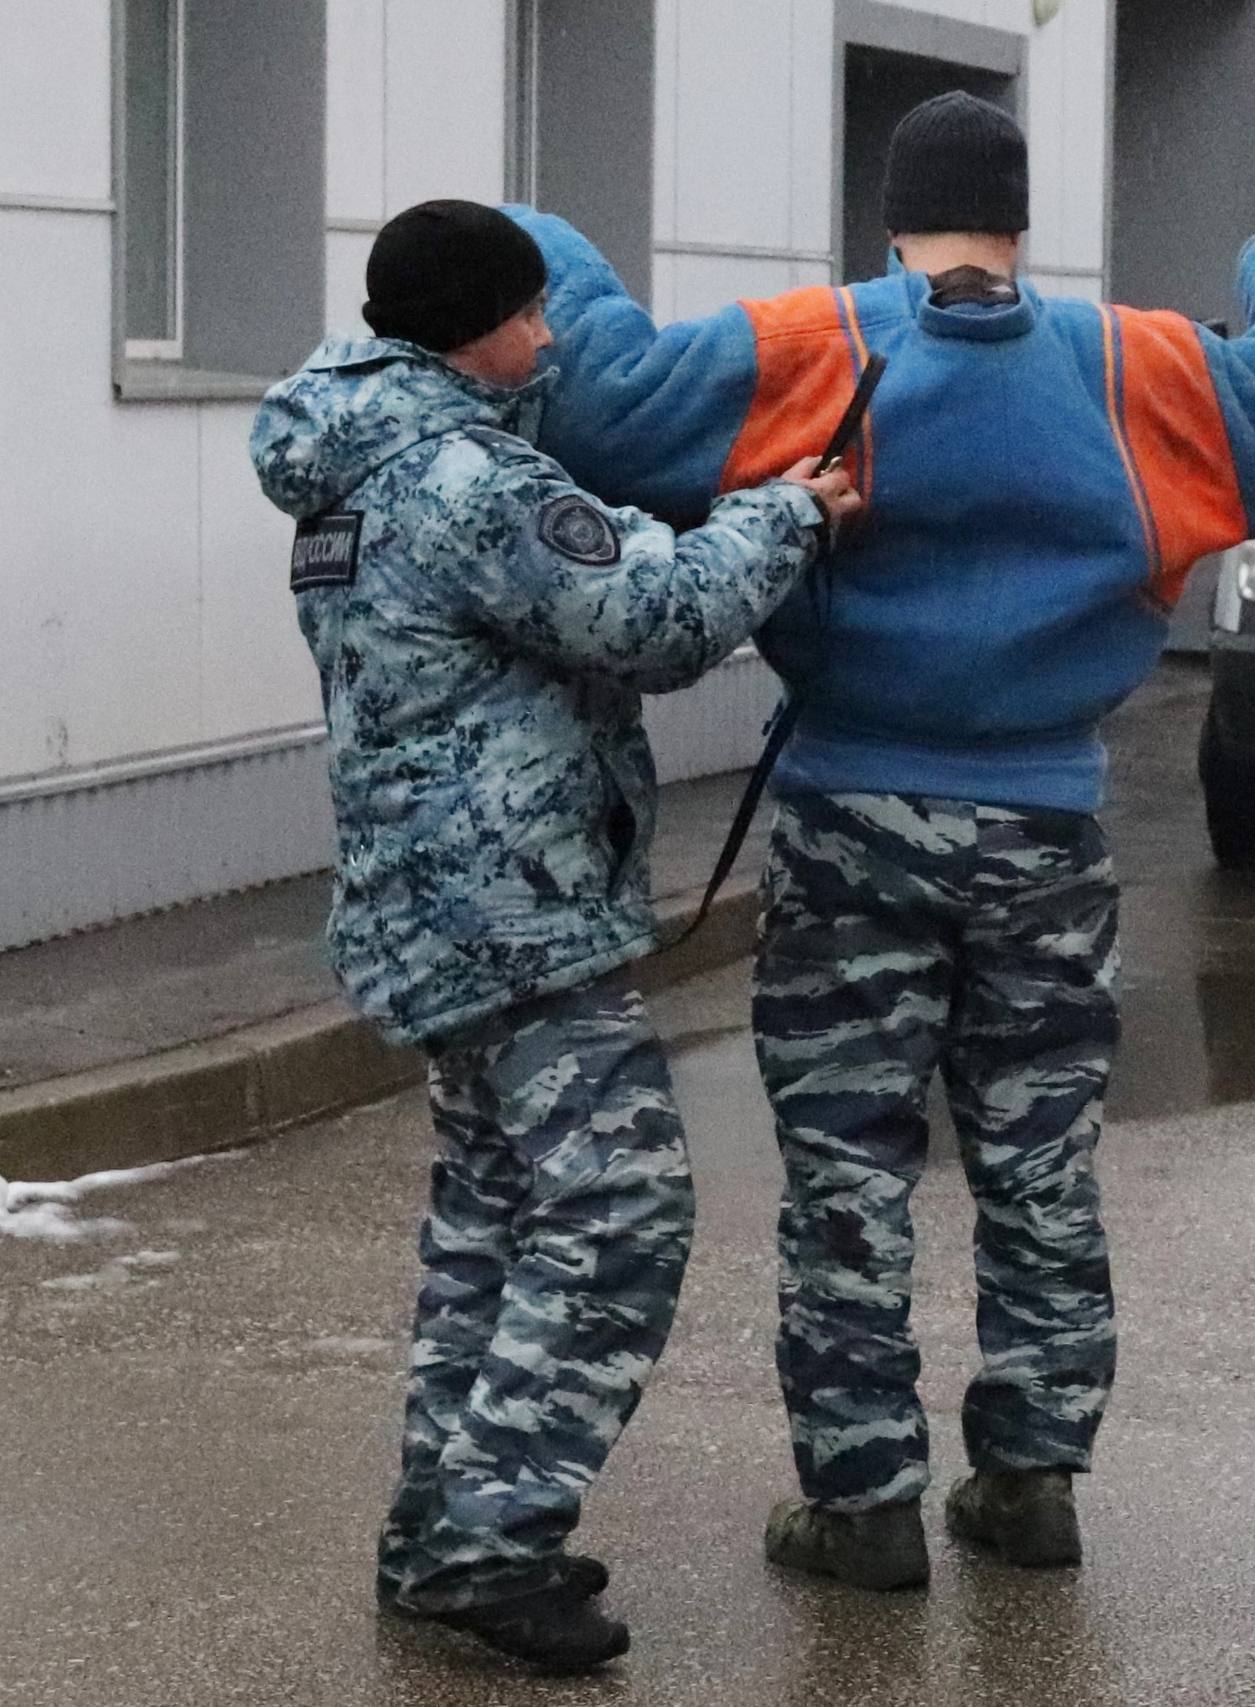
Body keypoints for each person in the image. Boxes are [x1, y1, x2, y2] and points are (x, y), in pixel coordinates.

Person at [509, 90, 1255, 1591]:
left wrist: (534, 232)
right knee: (1040, 1157)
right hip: (1048, 825)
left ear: (890, 217)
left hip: (852, 819)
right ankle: (1031, 1479)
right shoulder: (1140, 366)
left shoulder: (809, 346)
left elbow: (604, 401)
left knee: (848, 1167)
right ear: (1023, 221)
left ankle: (863, 1505)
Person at [249, 199, 861, 1672]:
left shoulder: (353, 462)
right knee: (619, 1214)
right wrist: (788, 510)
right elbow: (651, 618)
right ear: (482, 325)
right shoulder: (468, 478)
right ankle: (492, 1538)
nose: (548, 342)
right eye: (533, 317)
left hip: (429, 906)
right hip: (514, 913)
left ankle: (438, 1530)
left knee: (491, 1225)